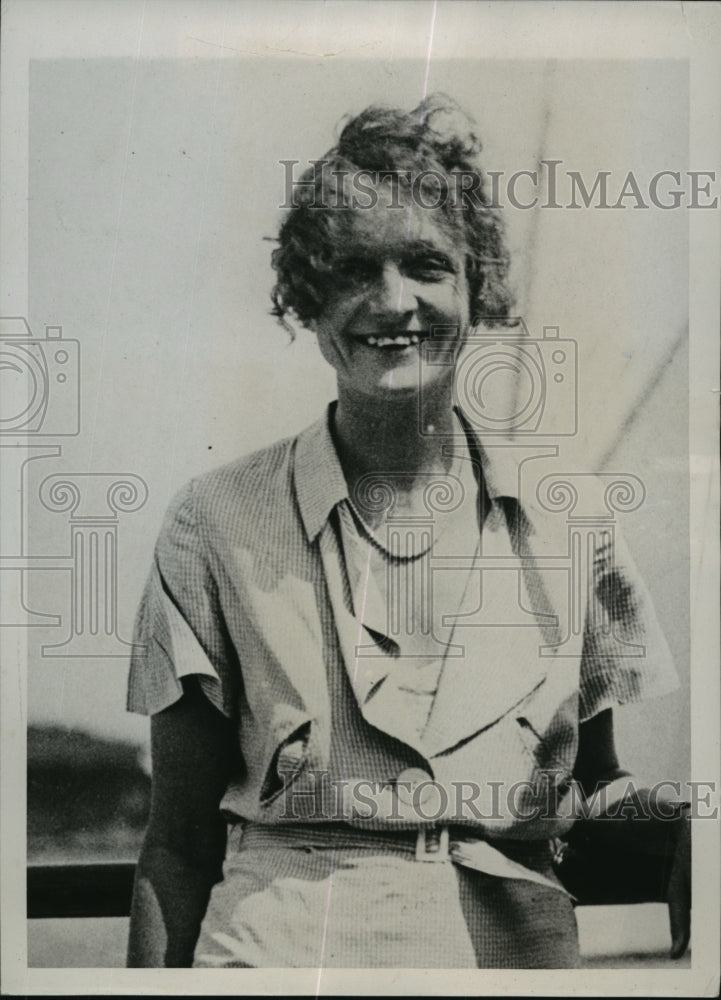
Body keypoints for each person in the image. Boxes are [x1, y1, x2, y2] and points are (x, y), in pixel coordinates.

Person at [126, 94, 690, 969]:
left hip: (511, 962)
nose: (393, 303)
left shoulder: (575, 521)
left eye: (426, 264)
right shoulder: (215, 520)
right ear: (307, 302)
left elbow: (589, 790)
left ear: (477, 286)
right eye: (353, 271)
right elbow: (175, 843)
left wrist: (689, 824)